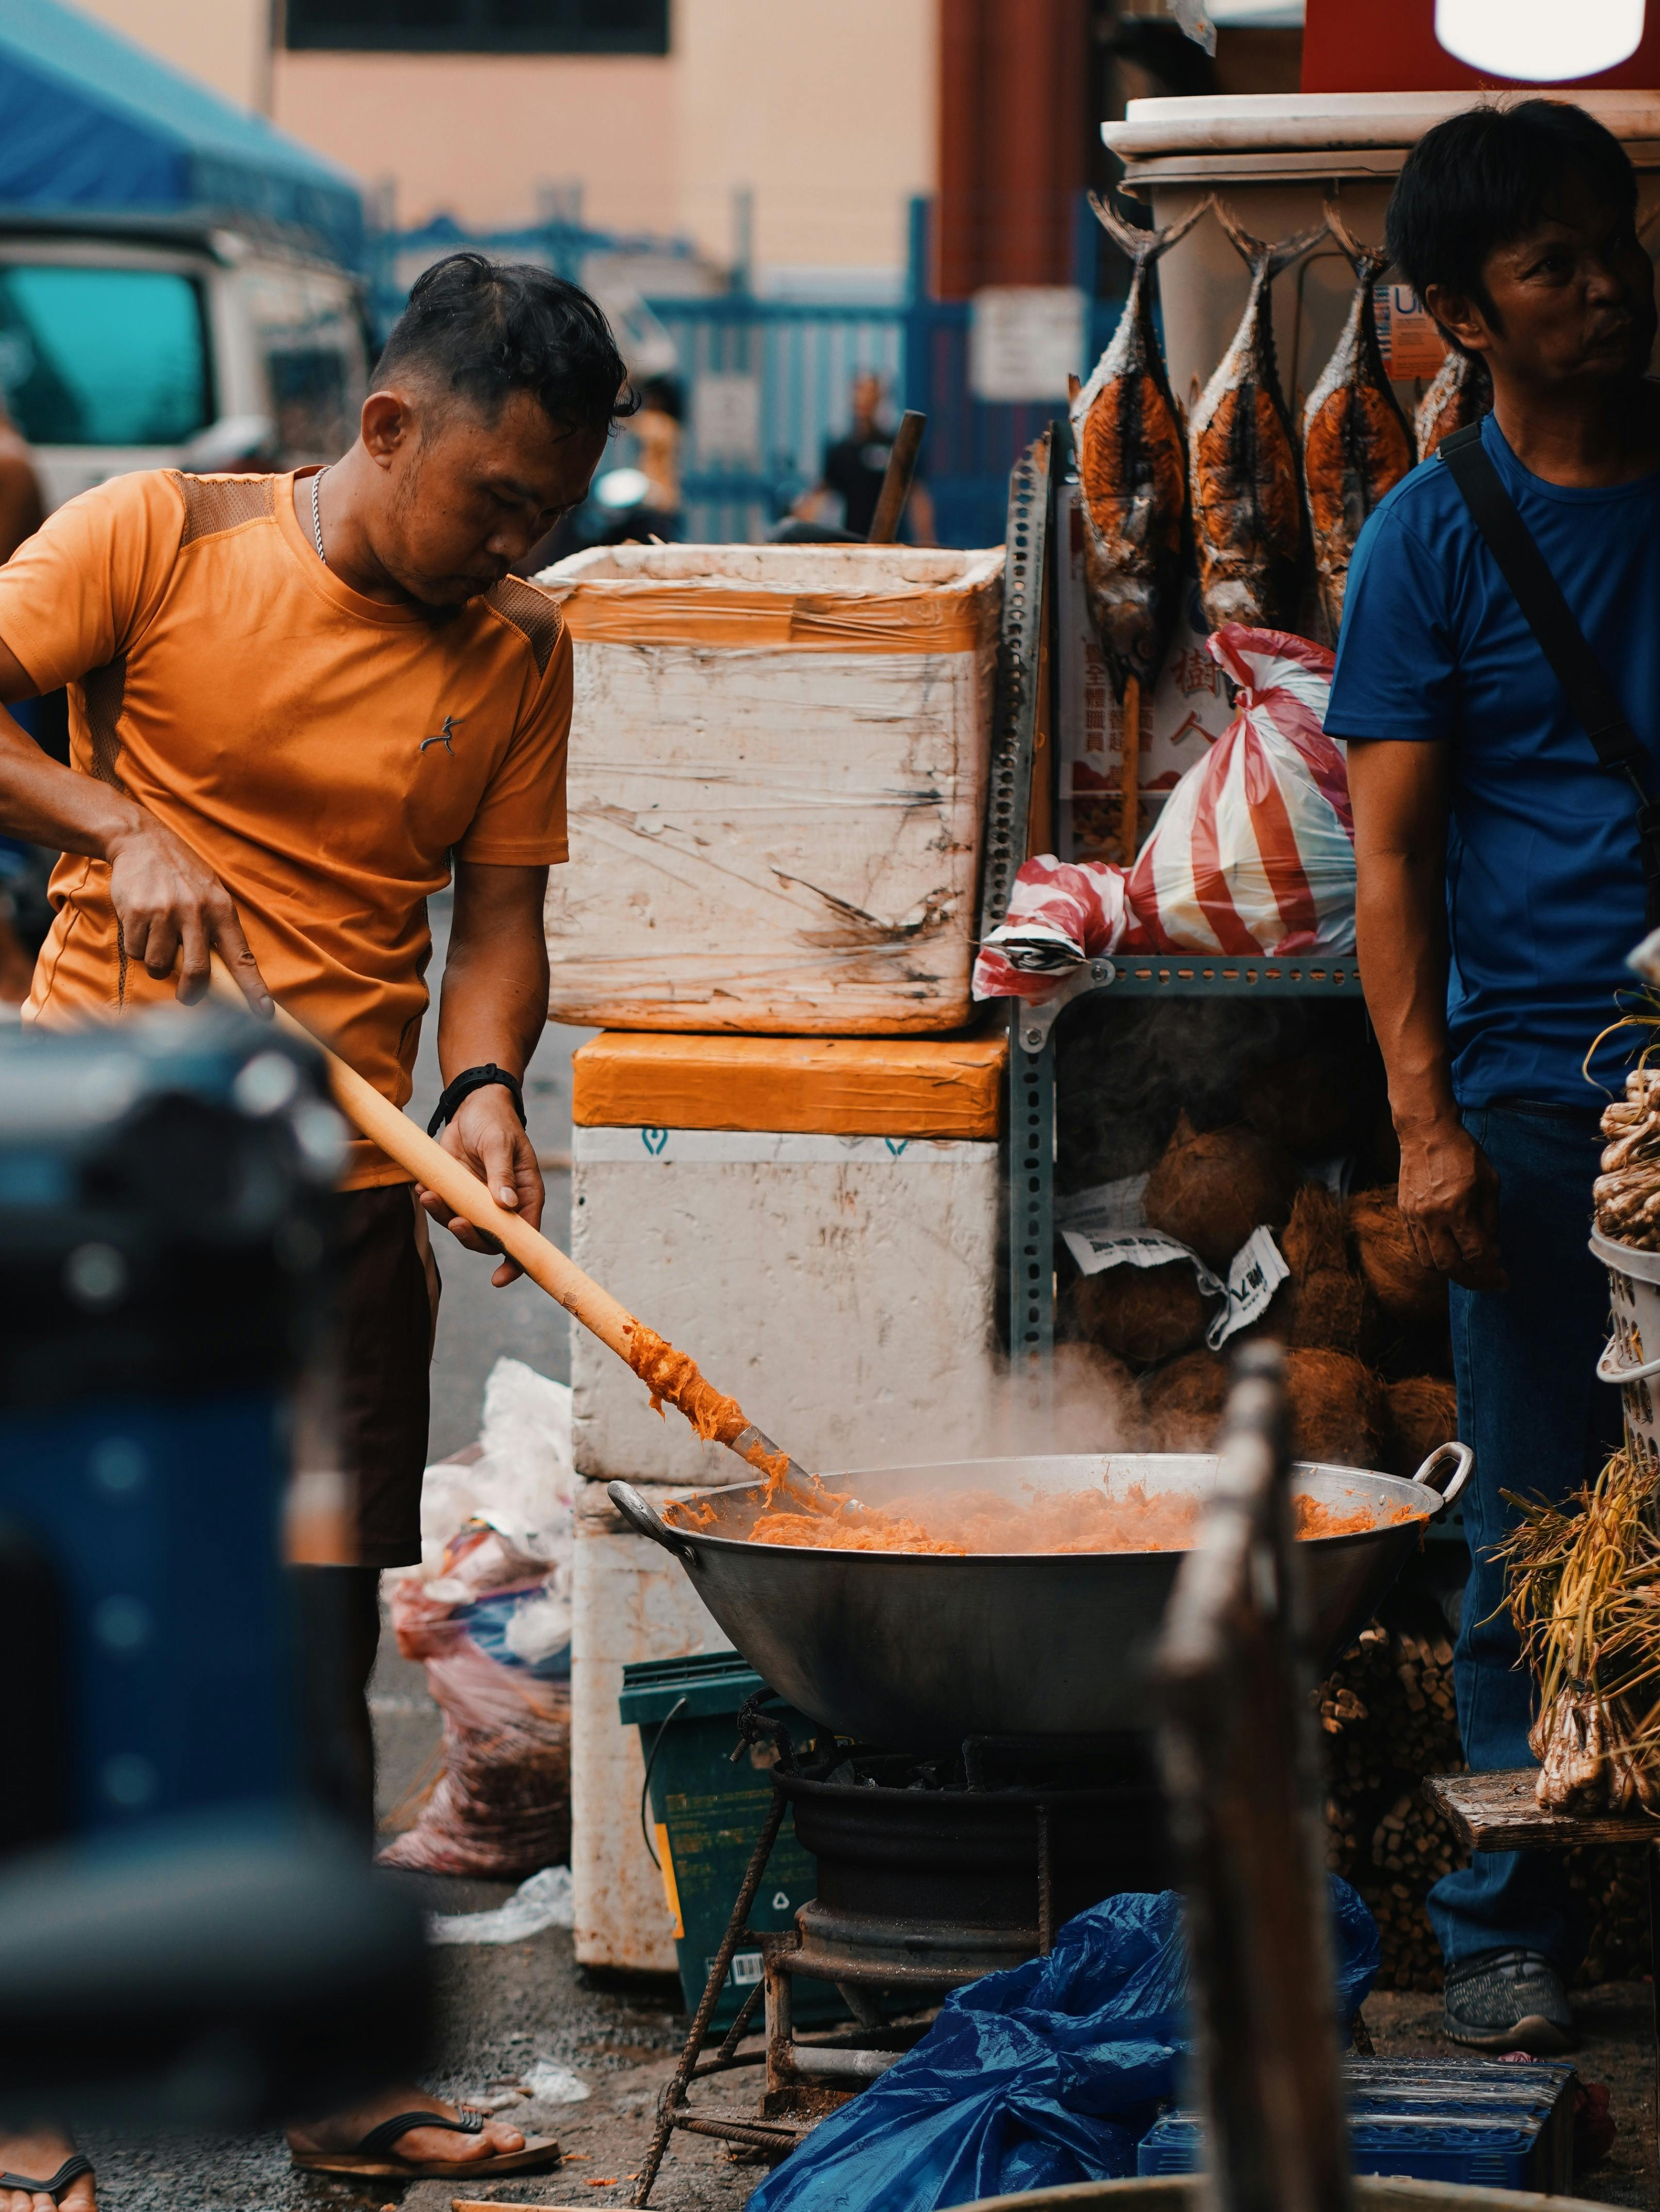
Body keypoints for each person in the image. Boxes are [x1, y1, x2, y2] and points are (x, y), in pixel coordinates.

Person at [0, 250, 629, 2207]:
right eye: (497, 500)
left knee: (295, 1649)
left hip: (338, 1215)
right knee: (47, 1645)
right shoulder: (157, 538)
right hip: (94, 1191)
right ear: (385, 428)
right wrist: (116, 825)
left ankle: (340, 2094)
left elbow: (498, 923)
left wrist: (483, 1089)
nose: (519, 543)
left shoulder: (520, 654)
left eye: (548, 513)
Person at [1332, 100, 1658, 2054]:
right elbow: (1386, 865)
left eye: (1611, 241)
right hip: (1543, 1091)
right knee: (1528, 1522)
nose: (1605, 282)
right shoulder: (1426, 540)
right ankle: (1501, 1916)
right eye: (1549, 264)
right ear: (1460, 311)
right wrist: (1421, 1125)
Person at [794, 370, 936, 543]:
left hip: (894, 542)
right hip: (853, 541)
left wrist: (927, 540)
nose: (863, 399)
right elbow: (820, 495)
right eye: (859, 392)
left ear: (879, 398)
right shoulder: (841, 450)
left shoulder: (896, 447)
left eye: (869, 393)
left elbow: (917, 496)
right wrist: (799, 531)